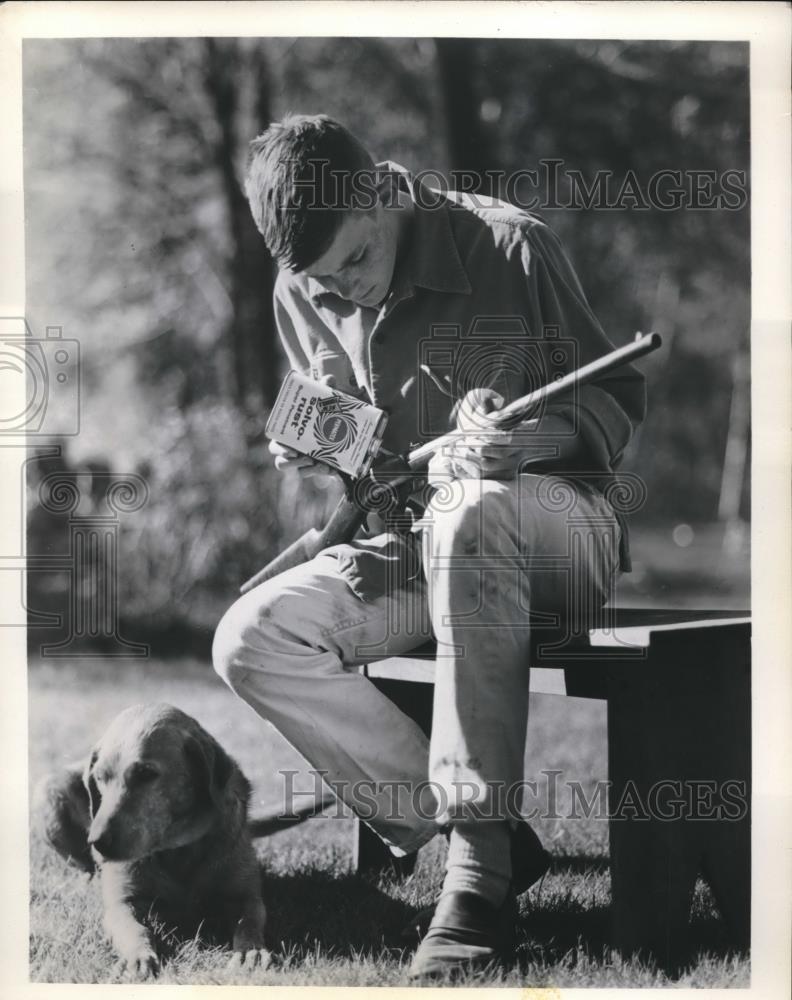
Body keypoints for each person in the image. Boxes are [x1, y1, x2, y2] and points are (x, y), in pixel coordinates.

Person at [212, 114, 646, 979]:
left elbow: (615, 407)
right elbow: (360, 455)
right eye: (330, 285)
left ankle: (476, 883)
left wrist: (517, 448)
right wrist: (319, 446)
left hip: (554, 531)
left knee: (471, 512)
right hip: (409, 547)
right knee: (249, 638)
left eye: (358, 266)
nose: (351, 294)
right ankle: (475, 836)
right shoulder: (304, 288)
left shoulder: (510, 247)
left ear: (381, 191)